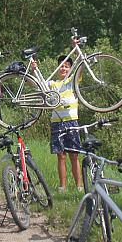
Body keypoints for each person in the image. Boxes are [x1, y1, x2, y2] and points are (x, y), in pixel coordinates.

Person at [36, 54, 82, 191]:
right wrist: (35, 69)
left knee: (74, 155)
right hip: (57, 122)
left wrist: (79, 53)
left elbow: (80, 68)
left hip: (72, 122)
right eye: (61, 66)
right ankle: (63, 186)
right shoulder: (52, 84)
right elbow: (38, 84)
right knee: (61, 155)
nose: (63, 68)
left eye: (67, 66)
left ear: (70, 68)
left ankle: (79, 186)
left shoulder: (72, 81)